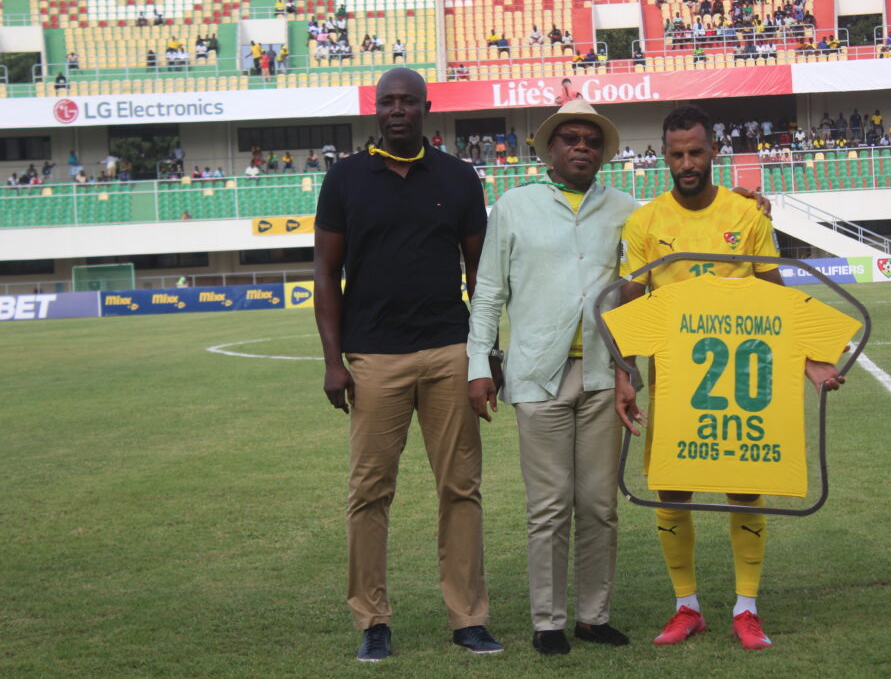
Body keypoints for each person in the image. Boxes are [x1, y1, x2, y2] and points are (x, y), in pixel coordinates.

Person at [614, 105, 845, 652]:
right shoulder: (645, 223)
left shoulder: (748, 216)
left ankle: (747, 608)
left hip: (744, 379)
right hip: (675, 380)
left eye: (696, 152)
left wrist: (809, 358)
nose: (687, 163)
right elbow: (630, 302)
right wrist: (625, 371)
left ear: (713, 151)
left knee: (744, 485)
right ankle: (686, 606)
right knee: (673, 486)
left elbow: (775, 293)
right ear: (664, 156)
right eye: (677, 154)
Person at [313, 67, 502, 663]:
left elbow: (481, 273)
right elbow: (326, 274)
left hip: (449, 351)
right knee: (369, 492)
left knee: (461, 488)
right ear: (376, 110)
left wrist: (484, 351)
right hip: (373, 357)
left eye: (408, 101)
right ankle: (372, 620)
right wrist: (333, 361)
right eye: (387, 102)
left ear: (426, 107)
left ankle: (468, 618)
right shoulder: (344, 179)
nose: (398, 110)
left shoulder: (458, 176)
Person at [467, 99, 636, 656]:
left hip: (603, 375)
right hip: (538, 373)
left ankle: (593, 617)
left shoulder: (627, 210)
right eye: (571, 139)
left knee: (600, 506)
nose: (582, 147)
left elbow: (646, 286)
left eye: (592, 140)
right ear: (550, 149)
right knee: (548, 507)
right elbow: (488, 293)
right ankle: (548, 622)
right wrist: (479, 364)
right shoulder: (514, 207)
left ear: (603, 152)